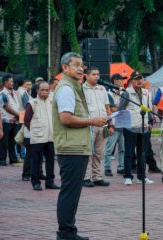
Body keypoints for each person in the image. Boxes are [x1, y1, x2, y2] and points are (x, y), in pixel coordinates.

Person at [54, 52, 107, 240]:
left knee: (72, 193)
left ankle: (69, 231)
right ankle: (66, 234)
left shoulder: (73, 87)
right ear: (65, 68)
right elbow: (66, 118)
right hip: (71, 148)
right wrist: (92, 121)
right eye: (75, 65)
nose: (80, 68)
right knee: (70, 192)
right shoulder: (66, 88)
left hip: (76, 146)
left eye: (82, 65)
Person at [118, 71, 154, 185]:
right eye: (136, 79)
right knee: (129, 153)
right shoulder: (126, 93)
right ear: (131, 81)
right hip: (130, 127)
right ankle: (128, 176)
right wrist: (123, 124)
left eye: (141, 79)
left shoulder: (147, 92)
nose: (139, 81)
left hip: (143, 126)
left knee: (142, 153)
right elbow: (121, 109)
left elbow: (149, 108)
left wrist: (150, 122)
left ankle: (141, 177)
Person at [24, 81, 60, 190]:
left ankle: (50, 182)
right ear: (37, 91)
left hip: (50, 136)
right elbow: (26, 120)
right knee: (36, 160)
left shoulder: (52, 102)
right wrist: (35, 131)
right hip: (37, 137)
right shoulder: (32, 103)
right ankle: (35, 182)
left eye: (47, 90)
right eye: (42, 90)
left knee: (50, 160)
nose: (45, 92)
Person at [82, 66, 113, 187]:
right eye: (94, 74)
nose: (97, 77)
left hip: (103, 125)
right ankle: (86, 177)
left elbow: (107, 107)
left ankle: (97, 177)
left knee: (100, 153)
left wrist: (111, 124)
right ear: (87, 76)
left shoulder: (102, 89)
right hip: (89, 125)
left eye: (98, 74)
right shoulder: (82, 89)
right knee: (88, 152)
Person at [0, 74, 20, 166]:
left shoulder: (14, 92)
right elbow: (6, 107)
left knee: (12, 141)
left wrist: (18, 116)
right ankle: (2, 159)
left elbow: (17, 106)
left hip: (14, 120)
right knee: (3, 141)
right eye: (10, 81)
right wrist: (18, 115)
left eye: (13, 81)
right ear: (5, 82)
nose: (12, 83)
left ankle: (13, 158)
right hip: (6, 121)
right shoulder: (2, 93)